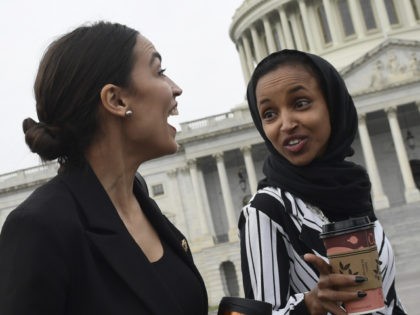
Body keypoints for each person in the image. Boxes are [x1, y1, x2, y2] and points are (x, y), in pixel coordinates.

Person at [0, 21, 208, 315]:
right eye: (159, 72)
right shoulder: (39, 227)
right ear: (116, 100)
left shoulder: (142, 200)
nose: (176, 89)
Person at [239, 49, 406, 315]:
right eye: (269, 114)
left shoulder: (352, 190)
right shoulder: (267, 209)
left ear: (333, 104)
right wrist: (310, 304)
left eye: (300, 103)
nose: (286, 123)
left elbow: (389, 301)